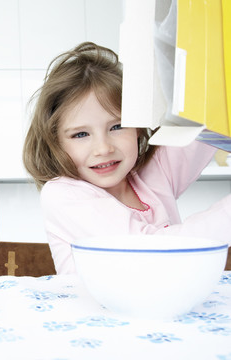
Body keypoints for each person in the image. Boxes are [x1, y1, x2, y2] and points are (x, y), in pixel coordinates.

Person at [23, 42, 231, 274]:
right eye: (81, 134)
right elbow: (149, 250)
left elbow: (209, 123)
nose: (103, 148)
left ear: (138, 128)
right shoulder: (63, 195)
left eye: (117, 126)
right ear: (56, 142)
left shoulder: (153, 175)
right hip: (99, 311)